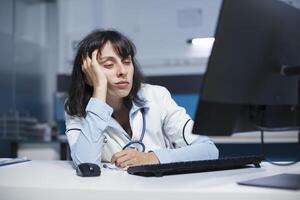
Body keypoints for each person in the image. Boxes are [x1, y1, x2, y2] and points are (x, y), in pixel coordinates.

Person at [64, 29, 219, 169]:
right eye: (109, 65)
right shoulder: (75, 107)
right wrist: (99, 89)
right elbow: (86, 165)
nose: (122, 71)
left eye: (126, 62)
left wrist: (152, 158)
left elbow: (208, 150)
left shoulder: (156, 96)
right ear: (88, 75)